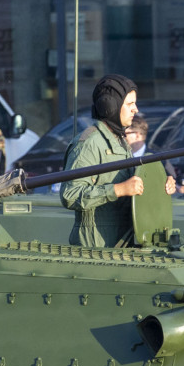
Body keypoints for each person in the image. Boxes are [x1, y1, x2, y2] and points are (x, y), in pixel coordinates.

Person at [62, 74, 145, 248]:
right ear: (110, 107)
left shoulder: (120, 141)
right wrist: (118, 190)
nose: (135, 109)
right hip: (95, 249)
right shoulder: (89, 143)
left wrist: (159, 183)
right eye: (130, 104)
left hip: (121, 243)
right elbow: (69, 195)